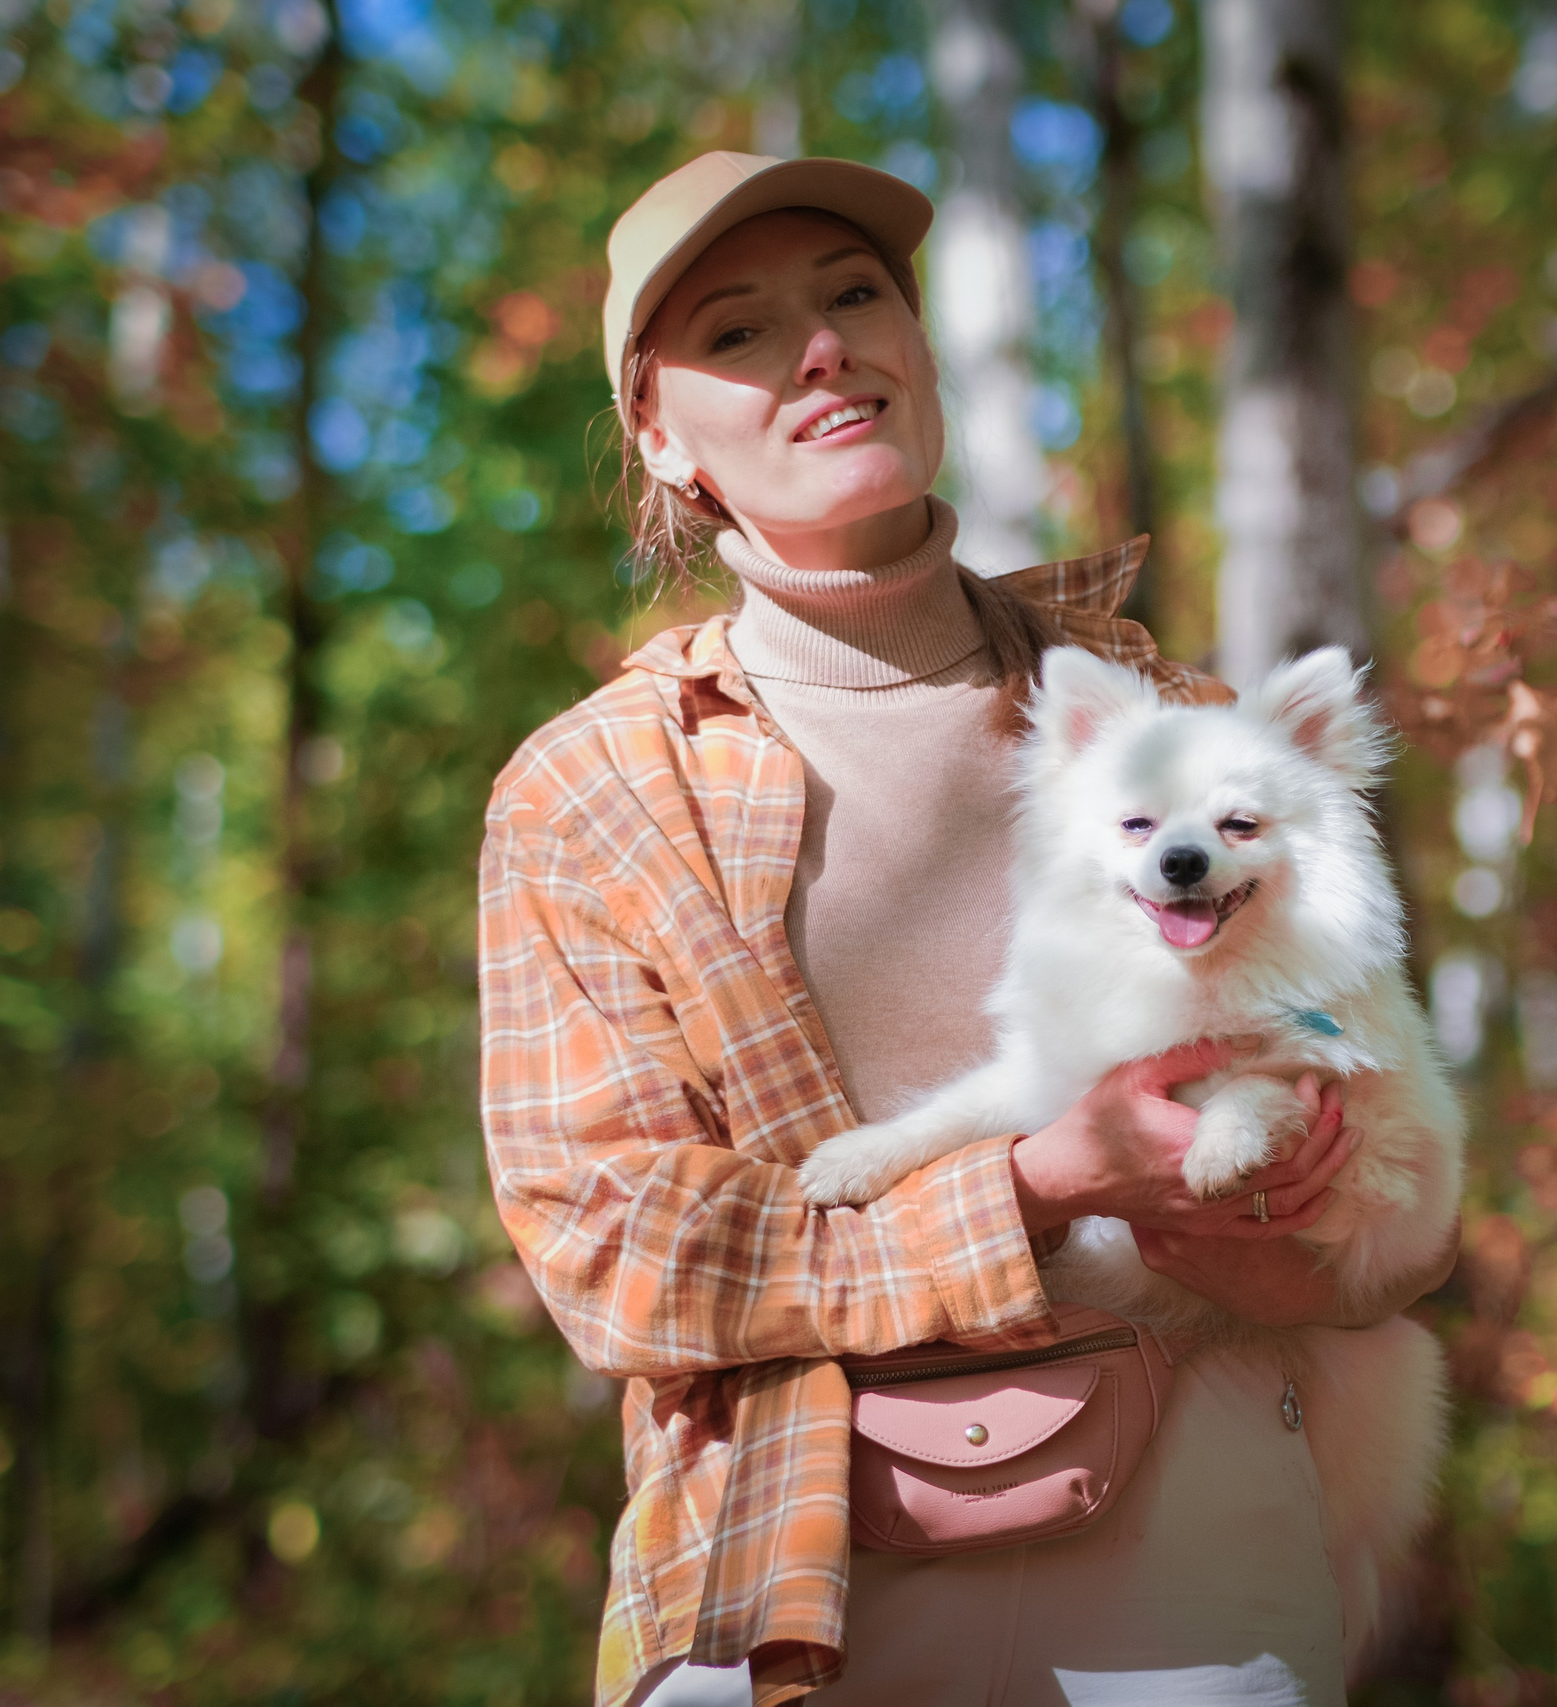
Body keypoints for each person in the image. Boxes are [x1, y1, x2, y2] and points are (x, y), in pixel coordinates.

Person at [479, 151, 1451, 1707]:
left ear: (919, 350)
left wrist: (1302, 1228)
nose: (820, 350)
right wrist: (1039, 1187)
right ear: (659, 436)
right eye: (737, 332)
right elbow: (616, 1256)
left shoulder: (1178, 728)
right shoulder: (591, 790)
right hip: (786, 1559)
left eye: (856, 296)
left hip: (1195, 1534)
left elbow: (1397, 1202)